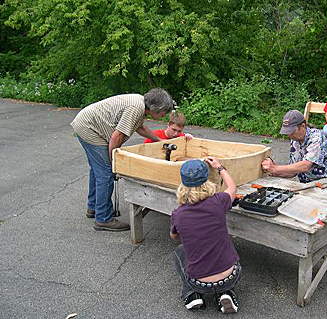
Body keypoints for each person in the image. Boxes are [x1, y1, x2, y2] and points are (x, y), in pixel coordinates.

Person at [71, 88, 174, 231]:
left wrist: (159, 140)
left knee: (97, 170)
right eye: (164, 112)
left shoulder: (139, 104)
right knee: (106, 173)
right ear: (157, 108)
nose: (164, 115)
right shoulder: (136, 108)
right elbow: (116, 138)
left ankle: (94, 207)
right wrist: (114, 162)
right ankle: (103, 219)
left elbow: (140, 128)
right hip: (90, 129)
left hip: (85, 124)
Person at [170, 158, 241, 313]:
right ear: (207, 181)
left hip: (199, 282)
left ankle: (192, 294)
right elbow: (232, 188)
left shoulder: (178, 214)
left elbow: (173, 236)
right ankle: (226, 292)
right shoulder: (219, 201)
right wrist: (219, 167)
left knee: (180, 250)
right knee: (225, 249)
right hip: (230, 276)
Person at [262, 110, 327, 190]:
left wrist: (275, 168)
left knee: (302, 193)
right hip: (311, 183)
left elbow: (305, 165)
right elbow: (293, 171)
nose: (289, 135)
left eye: (292, 131)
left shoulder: (317, 137)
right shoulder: (295, 141)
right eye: (287, 132)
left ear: (303, 126)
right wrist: (274, 172)